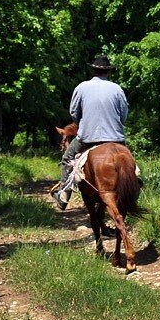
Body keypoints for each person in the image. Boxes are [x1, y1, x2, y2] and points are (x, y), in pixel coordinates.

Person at [51, 53, 128, 210]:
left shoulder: (81, 87)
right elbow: (124, 114)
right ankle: (137, 183)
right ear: (108, 71)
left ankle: (64, 195)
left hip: (87, 137)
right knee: (128, 161)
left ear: (94, 70)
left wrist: (82, 123)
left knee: (67, 158)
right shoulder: (117, 89)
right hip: (115, 138)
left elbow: (73, 112)